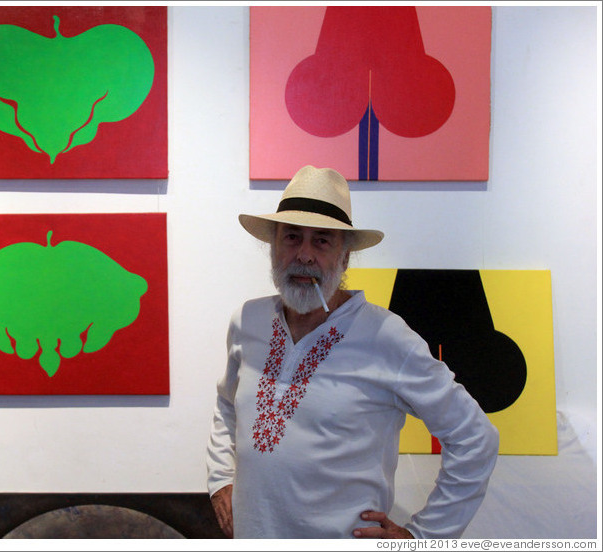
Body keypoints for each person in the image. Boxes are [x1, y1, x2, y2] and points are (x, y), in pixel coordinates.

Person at [206, 165, 499, 539]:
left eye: (322, 241)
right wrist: (219, 478)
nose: (305, 255)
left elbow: (476, 438)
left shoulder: (386, 337)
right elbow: (226, 404)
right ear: (273, 247)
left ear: (345, 257)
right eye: (292, 237)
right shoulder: (248, 321)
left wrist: (423, 538)